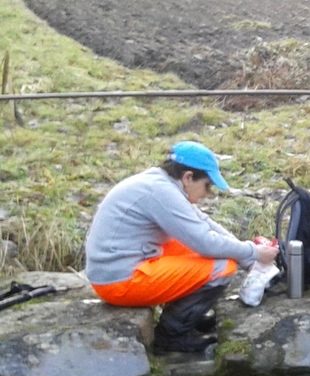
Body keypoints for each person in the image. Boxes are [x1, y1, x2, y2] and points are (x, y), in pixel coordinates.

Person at [85, 141, 279, 354]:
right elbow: (206, 242)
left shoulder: (160, 184)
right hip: (119, 281)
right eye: (207, 185)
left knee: (205, 251)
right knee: (223, 267)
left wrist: (249, 258)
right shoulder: (161, 192)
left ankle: (188, 316)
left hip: (119, 267)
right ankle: (172, 335)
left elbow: (204, 223)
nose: (207, 193)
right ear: (188, 177)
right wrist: (254, 252)